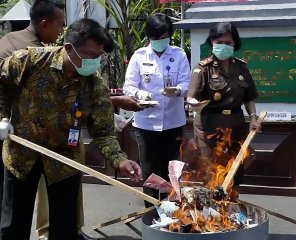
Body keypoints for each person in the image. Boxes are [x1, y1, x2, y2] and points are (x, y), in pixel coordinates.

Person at [0, 18, 141, 240]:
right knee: (13, 227)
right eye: (90, 56)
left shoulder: (94, 85)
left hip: (64, 159)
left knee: (65, 230)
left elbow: (103, 130)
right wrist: (2, 119)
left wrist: (120, 159)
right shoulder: (28, 60)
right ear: (68, 48)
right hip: (21, 155)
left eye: (99, 57)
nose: (95, 62)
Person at [123, 13, 190, 206]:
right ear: (149, 37)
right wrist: (140, 95)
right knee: (151, 169)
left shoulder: (179, 54)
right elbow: (128, 86)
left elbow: (187, 82)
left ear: (169, 35)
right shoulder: (139, 56)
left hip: (173, 122)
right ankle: (151, 211)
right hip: (146, 123)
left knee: (173, 169)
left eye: (164, 37)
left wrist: (178, 90)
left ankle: (173, 210)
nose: (160, 41)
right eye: (156, 38)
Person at [187, 22, 260, 197]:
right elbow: (191, 96)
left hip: (236, 126)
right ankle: (213, 215)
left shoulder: (241, 67)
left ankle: (231, 210)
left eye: (228, 42)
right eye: (219, 42)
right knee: (212, 173)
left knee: (235, 171)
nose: (223, 46)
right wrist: (194, 103)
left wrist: (254, 119)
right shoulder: (203, 68)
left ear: (235, 44)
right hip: (209, 128)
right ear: (212, 42)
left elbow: (249, 98)